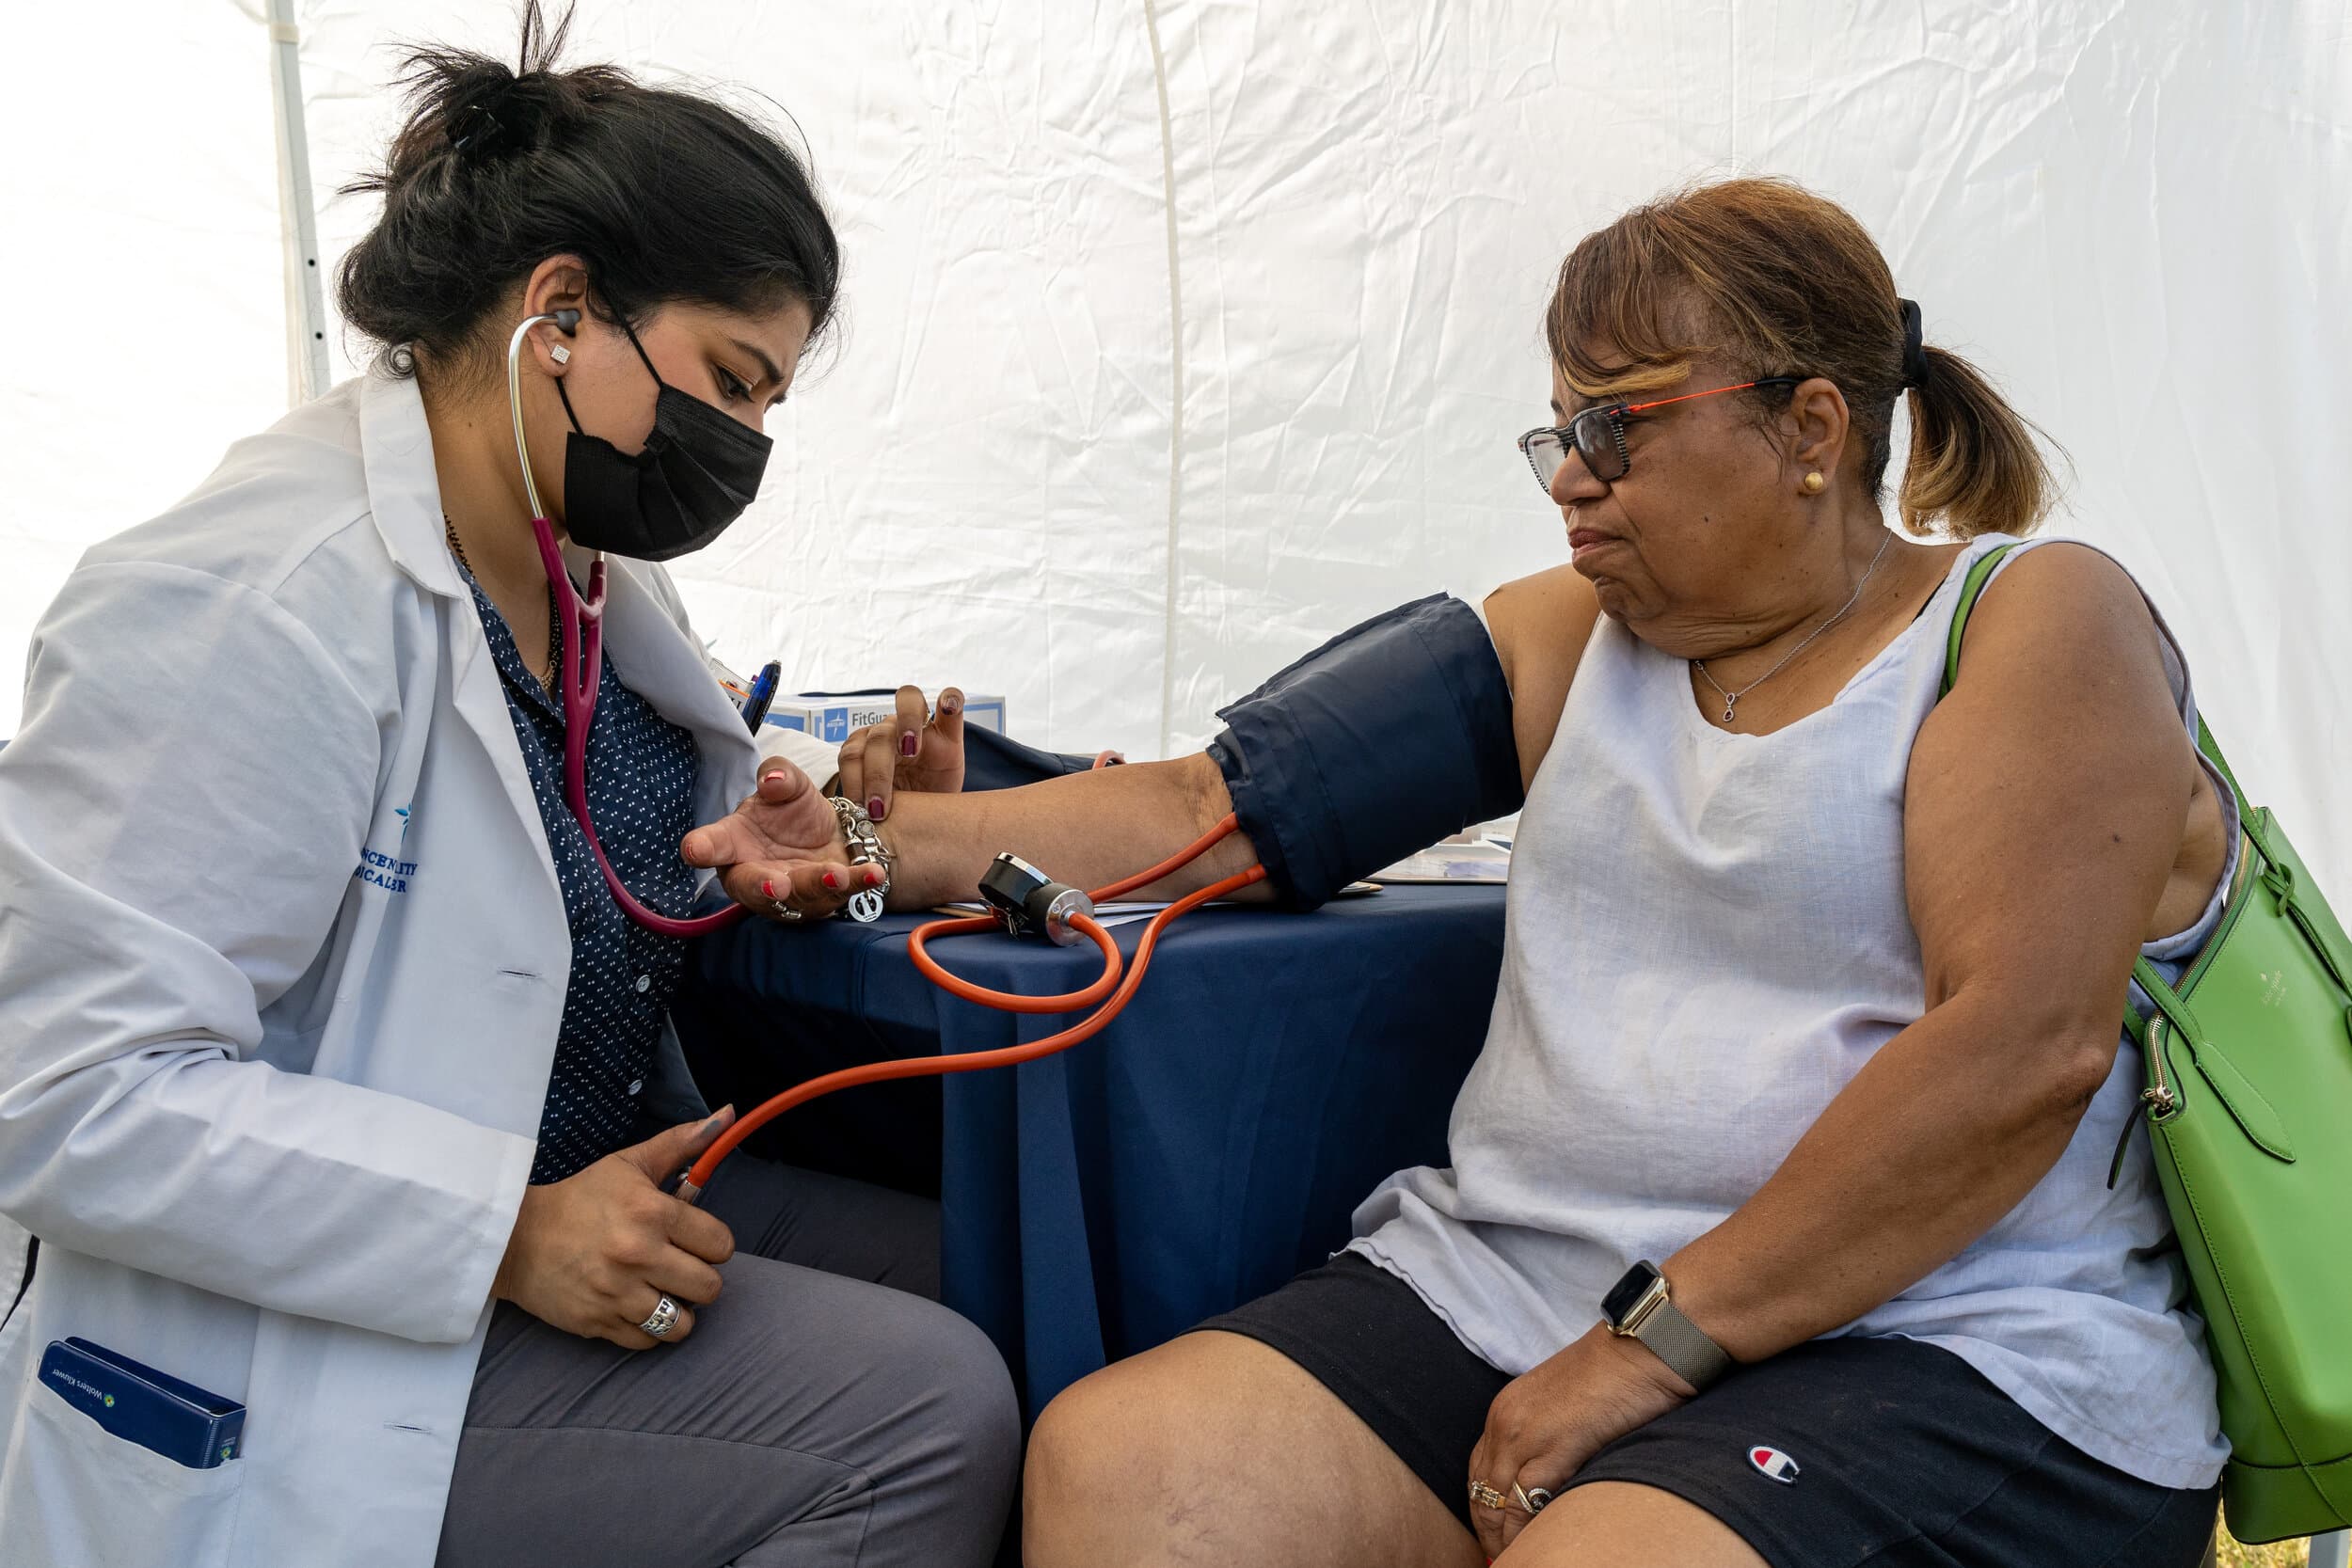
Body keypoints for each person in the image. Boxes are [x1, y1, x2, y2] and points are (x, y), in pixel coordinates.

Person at [686, 178, 2234, 1568]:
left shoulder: (2031, 623)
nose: (1571, 476)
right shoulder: (1577, 636)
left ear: (1813, 430)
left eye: (1619, 424)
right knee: (1124, 1468)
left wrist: (1650, 1351)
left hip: (1942, 1335)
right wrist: (870, 846)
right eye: (1560, 428)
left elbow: (2019, 1049)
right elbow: (1218, 804)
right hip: (1520, 1279)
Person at [0, 12, 1015, 1567]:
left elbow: (586, 872)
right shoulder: (250, 597)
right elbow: (60, 1096)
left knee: (1018, 1266)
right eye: (730, 383)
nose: (741, 447)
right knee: (927, 1415)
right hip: (308, 1335)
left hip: (575, 1181)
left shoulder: (571, 566)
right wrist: (500, 1233)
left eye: (767, 409)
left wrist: (766, 842)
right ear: (560, 312)